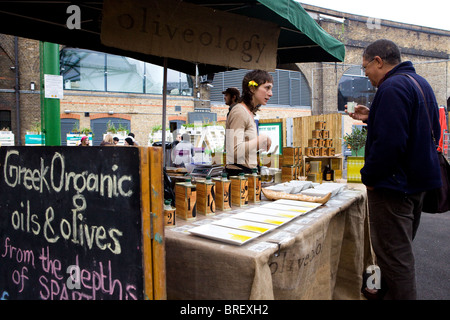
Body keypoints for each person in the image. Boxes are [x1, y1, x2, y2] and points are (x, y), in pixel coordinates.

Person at [347, 39, 442, 300]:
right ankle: (381, 292)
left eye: (366, 68)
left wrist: (369, 178)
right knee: (395, 253)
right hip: (415, 185)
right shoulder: (419, 83)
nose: (367, 76)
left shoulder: (391, 87)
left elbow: (390, 143)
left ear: (378, 61)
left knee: (396, 258)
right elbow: (421, 129)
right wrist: (374, 115)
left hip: (393, 187)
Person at [225, 70, 272, 177]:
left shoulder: (248, 113)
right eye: (267, 88)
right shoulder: (239, 112)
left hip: (246, 175)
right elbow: (234, 151)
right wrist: (260, 139)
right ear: (252, 88)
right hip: (238, 178)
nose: (270, 93)